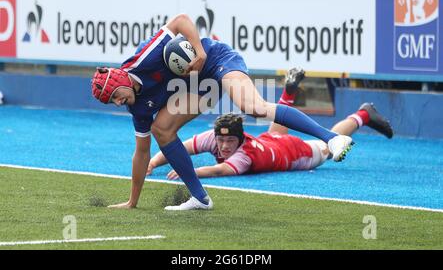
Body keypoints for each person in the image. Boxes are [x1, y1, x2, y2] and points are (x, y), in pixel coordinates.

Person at [91, 13, 353, 211]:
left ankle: (331, 138)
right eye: (111, 103)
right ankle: (199, 198)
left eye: (115, 96)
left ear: (121, 80)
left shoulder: (144, 57)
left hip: (217, 60)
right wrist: (132, 202)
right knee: (161, 129)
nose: (118, 103)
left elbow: (181, 20)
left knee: (253, 107)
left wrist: (200, 51)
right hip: (198, 88)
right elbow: (142, 152)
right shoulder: (135, 106)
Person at [147, 68, 394, 179]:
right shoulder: (216, 138)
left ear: (241, 139)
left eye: (229, 141)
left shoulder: (243, 158)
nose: (222, 146)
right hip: (270, 142)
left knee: (329, 146)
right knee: (275, 129)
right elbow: (184, 146)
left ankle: (364, 114)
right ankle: (288, 94)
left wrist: (188, 172)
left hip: (295, 153)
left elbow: (220, 170)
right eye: (220, 139)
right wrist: (154, 162)